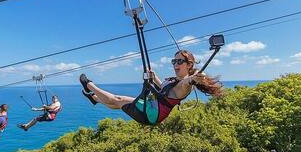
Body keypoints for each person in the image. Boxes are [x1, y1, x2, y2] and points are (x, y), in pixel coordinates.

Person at [79, 50, 223, 124]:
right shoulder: (175, 80)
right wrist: (154, 77)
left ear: (189, 64)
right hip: (154, 105)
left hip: (153, 113)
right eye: (174, 61)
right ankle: (95, 99)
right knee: (119, 103)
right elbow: (163, 90)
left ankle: (89, 85)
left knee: (118, 99)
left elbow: (186, 83)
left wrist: (193, 78)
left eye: (180, 61)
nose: (175, 64)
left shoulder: (185, 85)